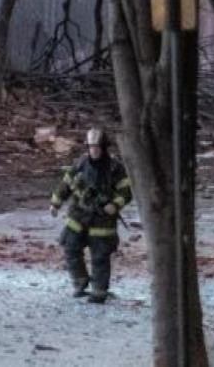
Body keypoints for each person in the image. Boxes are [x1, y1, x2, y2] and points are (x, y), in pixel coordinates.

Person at [49, 127, 134, 304]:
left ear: (104, 148)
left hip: (102, 219)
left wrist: (115, 204)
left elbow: (126, 191)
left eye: (97, 147)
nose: (93, 150)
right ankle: (80, 282)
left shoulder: (115, 168)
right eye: (91, 147)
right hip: (79, 215)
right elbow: (65, 185)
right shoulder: (80, 164)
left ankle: (99, 291)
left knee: (100, 255)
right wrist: (55, 203)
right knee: (70, 246)